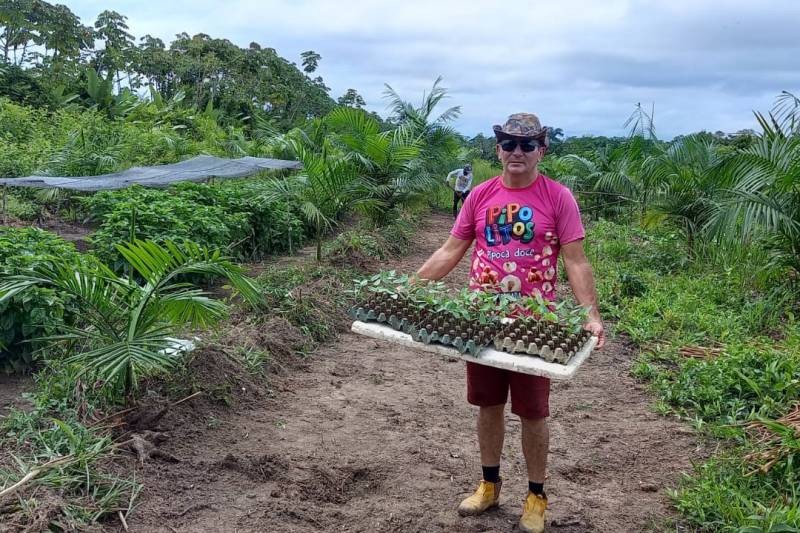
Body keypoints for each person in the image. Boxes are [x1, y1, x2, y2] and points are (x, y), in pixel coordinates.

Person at [415, 113, 605, 533]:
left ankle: (536, 495)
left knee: (533, 413)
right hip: (482, 323)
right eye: (508, 143)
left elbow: (575, 260)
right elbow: (450, 251)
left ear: (542, 149)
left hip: (535, 329)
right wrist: (409, 289)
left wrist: (590, 314)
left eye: (527, 144)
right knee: (488, 405)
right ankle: (489, 485)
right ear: (497, 147)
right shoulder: (479, 195)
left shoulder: (558, 198)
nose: (516, 152)